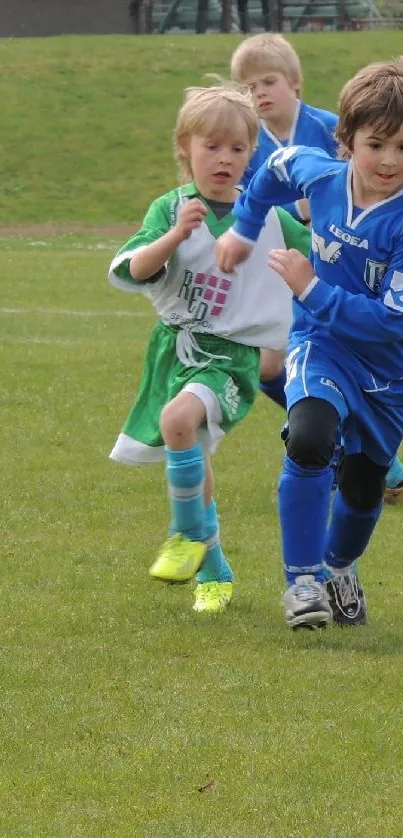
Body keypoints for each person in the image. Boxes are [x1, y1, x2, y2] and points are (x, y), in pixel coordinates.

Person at [107, 84, 311, 614]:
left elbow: (325, 256)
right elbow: (133, 268)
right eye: (212, 146)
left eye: (238, 148)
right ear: (185, 147)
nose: (224, 158)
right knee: (192, 450)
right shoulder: (170, 208)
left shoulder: (268, 217)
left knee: (179, 421)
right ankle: (216, 569)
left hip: (231, 355)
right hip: (174, 351)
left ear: (252, 155)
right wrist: (174, 236)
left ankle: (186, 535)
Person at [216, 58, 403, 629]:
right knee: (309, 436)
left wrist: (311, 287)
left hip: (390, 372)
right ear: (345, 140)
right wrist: (243, 230)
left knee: (365, 484)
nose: (390, 160)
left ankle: (338, 566)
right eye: (377, 145)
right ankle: (301, 583)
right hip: (321, 345)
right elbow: (269, 173)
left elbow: (394, 323)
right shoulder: (317, 172)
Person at [230, 34, 403, 505]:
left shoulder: (330, 127)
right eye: (248, 87)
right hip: (277, 259)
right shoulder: (251, 139)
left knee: (310, 357)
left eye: (268, 81)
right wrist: (244, 230)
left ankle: (358, 448)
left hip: (336, 268)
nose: (258, 93)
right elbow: (256, 191)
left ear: (296, 84)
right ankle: (323, 436)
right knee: (272, 364)